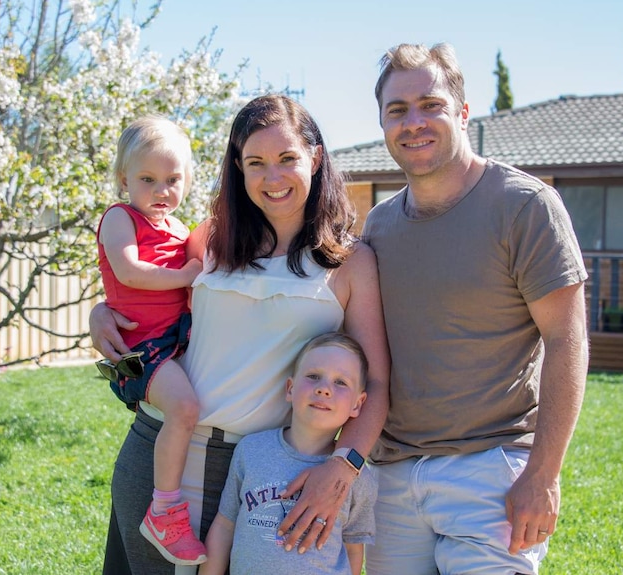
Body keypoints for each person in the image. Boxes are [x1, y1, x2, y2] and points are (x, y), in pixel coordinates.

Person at [90, 94, 390, 575]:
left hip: (265, 470)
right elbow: (145, 297)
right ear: (238, 167)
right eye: (256, 163)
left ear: (314, 158)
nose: (273, 178)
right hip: (159, 457)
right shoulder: (208, 237)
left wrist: (342, 467)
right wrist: (101, 312)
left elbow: (374, 384)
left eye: (287, 159)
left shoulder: (351, 261)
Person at [361, 43, 589, 575]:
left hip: (492, 473)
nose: (413, 122)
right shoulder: (378, 226)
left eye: (430, 104)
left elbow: (567, 341)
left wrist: (543, 475)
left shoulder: (525, 206)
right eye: (397, 110)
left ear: (463, 113)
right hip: (394, 478)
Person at [96, 116, 206, 565]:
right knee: (184, 408)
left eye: (172, 180)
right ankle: (165, 510)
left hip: (174, 341)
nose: (162, 191)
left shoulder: (179, 230)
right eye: (148, 179)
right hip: (143, 348)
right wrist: (185, 276)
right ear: (124, 180)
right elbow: (127, 271)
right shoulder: (120, 218)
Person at [200, 332, 376, 575]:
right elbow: (224, 525)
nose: (324, 389)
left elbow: (353, 549)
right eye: (314, 376)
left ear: (357, 404)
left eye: (340, 382)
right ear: (290, 389)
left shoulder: (355, 477)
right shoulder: (251, 450)